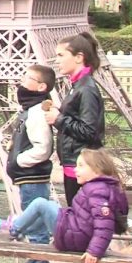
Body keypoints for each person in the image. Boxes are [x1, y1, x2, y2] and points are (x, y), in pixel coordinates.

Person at [0, 148, 129, 263]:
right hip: (78, 232)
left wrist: (94, 252)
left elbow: (104, 226)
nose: (76, 169)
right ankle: (18, 230)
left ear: (97, 170)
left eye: (81, 166)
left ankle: (12, 229)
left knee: (40, 204)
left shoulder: (97, 191)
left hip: (75, 236)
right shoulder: (99, 188)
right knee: (47, 208)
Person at [6, 64, 57, 263]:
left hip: (31, 178)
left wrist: (17, 161)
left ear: (41, 86)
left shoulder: (35, 113)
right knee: (37, 230)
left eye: (27, 77)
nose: (21, 81)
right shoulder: (32, 110)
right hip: (30, 177)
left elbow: (43, 149)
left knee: (36, 231)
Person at [44, 32, 105, 206]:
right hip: (76, 162)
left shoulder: (85, 89)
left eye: (61, 55)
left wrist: (58, 118)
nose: (57, 61)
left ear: (79, 57)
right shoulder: (80, 86)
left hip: (80, 163)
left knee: (80, 215)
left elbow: (89, 130)